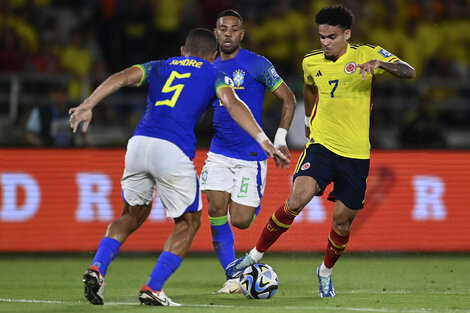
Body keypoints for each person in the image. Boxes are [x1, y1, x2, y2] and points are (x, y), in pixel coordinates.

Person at [69, 28, 289, 306]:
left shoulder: (160, 65)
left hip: (138, 143)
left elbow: (120, 77)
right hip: (171, 148)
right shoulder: (214, 73)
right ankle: (153, 287)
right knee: (189, 222)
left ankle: (98, 267)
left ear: (183, 51)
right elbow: (233, 105)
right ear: (213, 55)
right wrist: (263, 140)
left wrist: (88, 104)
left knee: (130, 215)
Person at [225, 5, 416, 298]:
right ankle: (254, 255)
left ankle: (325, 272)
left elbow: (409, 71)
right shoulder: (311, 61)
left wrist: (381, 64)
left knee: (341, 221)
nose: (325, 42)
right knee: (296, 200)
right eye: (321, 36)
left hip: (356, 154)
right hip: (322, 146)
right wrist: (307, 122)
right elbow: (309, 86)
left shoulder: (367, 53)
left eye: (331, 36)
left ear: (347, 34)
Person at [200, 9, 296, 294]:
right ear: (215, 33)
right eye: (222, 28)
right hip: (218, 151)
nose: (228, 33)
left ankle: (243, 259)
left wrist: (279, 139)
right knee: (216, 209)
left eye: (234, 29)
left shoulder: (257, 64)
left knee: (240, 221)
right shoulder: (207, 66)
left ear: (242, 34)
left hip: (251, 156)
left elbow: (288, 98)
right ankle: (232, 277)